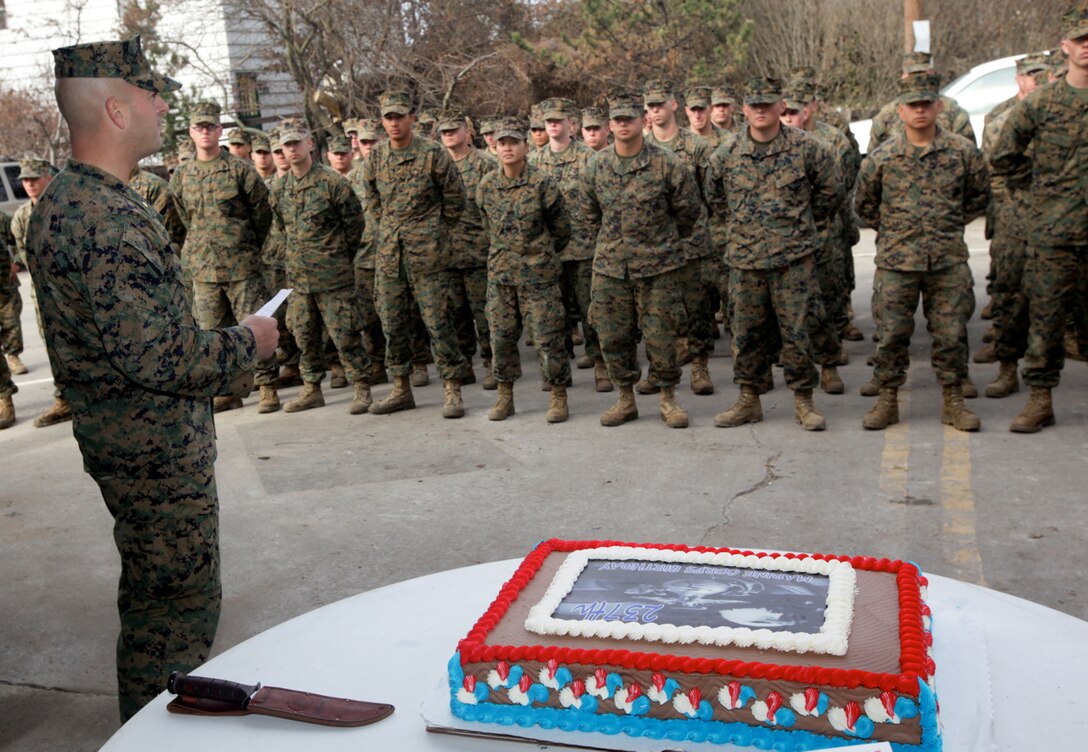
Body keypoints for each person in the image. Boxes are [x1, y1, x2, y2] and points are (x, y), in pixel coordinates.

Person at [25, 36, 278, 720]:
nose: (165, 106)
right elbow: (159, 356)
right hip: (151, 452)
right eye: (152, 94)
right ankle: (154, 731)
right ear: (116, 110)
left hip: (131, 442)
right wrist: (248, 340)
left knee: (155, 597)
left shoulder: (75, 198)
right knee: (173, 613)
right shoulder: (104, 217)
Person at [855, 71, 990, 432]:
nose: (919, 111)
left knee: (951, 334)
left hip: (947, 260)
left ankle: (954, 401)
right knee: (891, 335)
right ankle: (887, 400)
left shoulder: (962, 152)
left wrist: (945, 227)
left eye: (926, 104)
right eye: (912, 105)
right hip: (896, 262)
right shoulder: (882, 157)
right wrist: (897, 232)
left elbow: (978, 197)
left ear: (938, 107)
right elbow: (865, 205)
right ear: (899, 110)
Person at [706, 77, 842, 431]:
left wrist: (801, 226)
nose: (761, 111)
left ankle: (803, 401)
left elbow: (830, 191)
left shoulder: (807, 148)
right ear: (744, 110)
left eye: (768, 104)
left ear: (782, 106)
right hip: (746, 261)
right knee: (746, 333)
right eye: (755, 105)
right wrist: (741, 233)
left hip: (792, 260)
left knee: (798, 331)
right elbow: (715, 199)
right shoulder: (726, 153)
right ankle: (748, 399)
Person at [991, 6, 1088, 433]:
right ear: (1065, 46)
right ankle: (1040, 400)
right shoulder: (1043, 103)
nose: (1087, 46)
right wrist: (1040, 192)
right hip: (1054, 234)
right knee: (1046, 320)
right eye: (1080, 39)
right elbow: (1004, 155)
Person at [582, 91, 702, 428]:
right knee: (613, 335)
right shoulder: (596, 165)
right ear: (609, 125)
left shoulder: (667, 163)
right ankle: (625, 399)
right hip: (611, 267)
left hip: (658, 266)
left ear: (643, 121)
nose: (623, 124)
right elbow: (588, 214)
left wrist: (660, 243)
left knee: (661, 334)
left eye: (629, 119)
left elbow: (688, 211)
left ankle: (668, 399)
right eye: (617, 119)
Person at [362, 90, 471, 418]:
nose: (394, 122)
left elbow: (456, 198)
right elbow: (371, 198)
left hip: (428, 256)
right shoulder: (377, 156)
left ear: (412, 117)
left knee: (438, 321)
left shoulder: (432, 153)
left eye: (400, 116)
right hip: (390, 255)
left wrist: (433, 230)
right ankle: (401, 388)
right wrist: (388, 228)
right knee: (393, 323)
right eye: (388, 117)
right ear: (382, 121)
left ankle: (452, 388)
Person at [170, 101, 278, 413]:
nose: (205, 131)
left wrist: (245, 246)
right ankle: (228, 389)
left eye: (210, 126)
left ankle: (267, 386)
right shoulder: (183, 174)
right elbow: (182, 218)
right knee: (213, 333)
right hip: (203, 269)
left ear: (219, 130)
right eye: (199, 127)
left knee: (256, 325)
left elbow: (262, 215)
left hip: (240, 264)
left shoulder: (240, 170)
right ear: (191, 132)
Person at [271, 118, 373, 414]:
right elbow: (281, 228)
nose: (291, 149)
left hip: (333, 277)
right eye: (286, 145)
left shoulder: (332, 182)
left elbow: (355, 226)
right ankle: (312, 388)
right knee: (304, 335)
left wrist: (335, 257)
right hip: (299, 279)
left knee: (345, 334)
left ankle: (361, 386)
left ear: (309, 144)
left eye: (296, 143)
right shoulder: (280, 189)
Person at [477, 117, 573, 422]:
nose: (507, 148)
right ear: (495, 147)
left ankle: (558, 395)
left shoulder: (543, 183)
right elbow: (486, 226)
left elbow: (561, 229)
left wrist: (539, 255)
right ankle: (505, 397)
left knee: (548, 337)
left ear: (525, 146)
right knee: (501, 338)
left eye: (513, 142)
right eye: (502, 143)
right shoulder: (487, 186)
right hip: (501, 276)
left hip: (538, 277)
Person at [976, 54, 1051, 397]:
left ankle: (1045, 375)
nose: (1037, 80)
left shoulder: (1063, 114)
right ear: (1019, 78)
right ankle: (1007, 364)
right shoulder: (1002, 120)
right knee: (1009, 294)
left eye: (1043, 74)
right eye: (1031, 75)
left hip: (1058, 220)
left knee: (1052, 298)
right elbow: (991, 171)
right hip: (1014, 218)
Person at [642, 79, 719, 397]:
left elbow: (712, 193)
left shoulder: (696, 146)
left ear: (674, 105)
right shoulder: (641, 148)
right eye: (651, 106)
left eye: (661, 104)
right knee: (656, 311)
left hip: (691, 242)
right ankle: (660, 370)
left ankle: (700, 367)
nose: (656, 110)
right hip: (654, 245)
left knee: (697, 307)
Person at [530, 97, 608, 391]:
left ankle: (600, 364)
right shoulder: (534, 161)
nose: (552, 125)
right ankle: (557, 371)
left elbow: (602, 202)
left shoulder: (589, 158)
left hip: (585, 248)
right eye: (548, 121)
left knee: (592, 311)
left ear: (571, 125)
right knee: (553, 315)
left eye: (558, 121)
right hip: (549, 251)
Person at [11, 158, 77, 428]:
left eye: (34, 178)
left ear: (48, 178)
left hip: (73, 292)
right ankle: (65, 400)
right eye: (25, 180)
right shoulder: (21, 217)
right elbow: (24, 255)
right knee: (54, 347)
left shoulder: (68, 209)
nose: (29, 184)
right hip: (43, 294)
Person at [438, 110, 498, 388]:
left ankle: (492, 362)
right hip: (446, 254)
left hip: (479, 253)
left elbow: (496, 208)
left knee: (485, 314)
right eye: (444, 131)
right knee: (455, 315)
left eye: (454, 129)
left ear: (467, 132)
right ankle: (464, 364)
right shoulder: (436, 164)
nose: (449, 135)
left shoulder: (485, 164)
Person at [869, 52, 976, 150]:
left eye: (922, 73)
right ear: (903, 77)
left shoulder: (954, 113)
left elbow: (969, 152)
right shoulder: (886, 117)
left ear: (932, 74)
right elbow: (874, 157)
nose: (918, 79)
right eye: (912, 74)